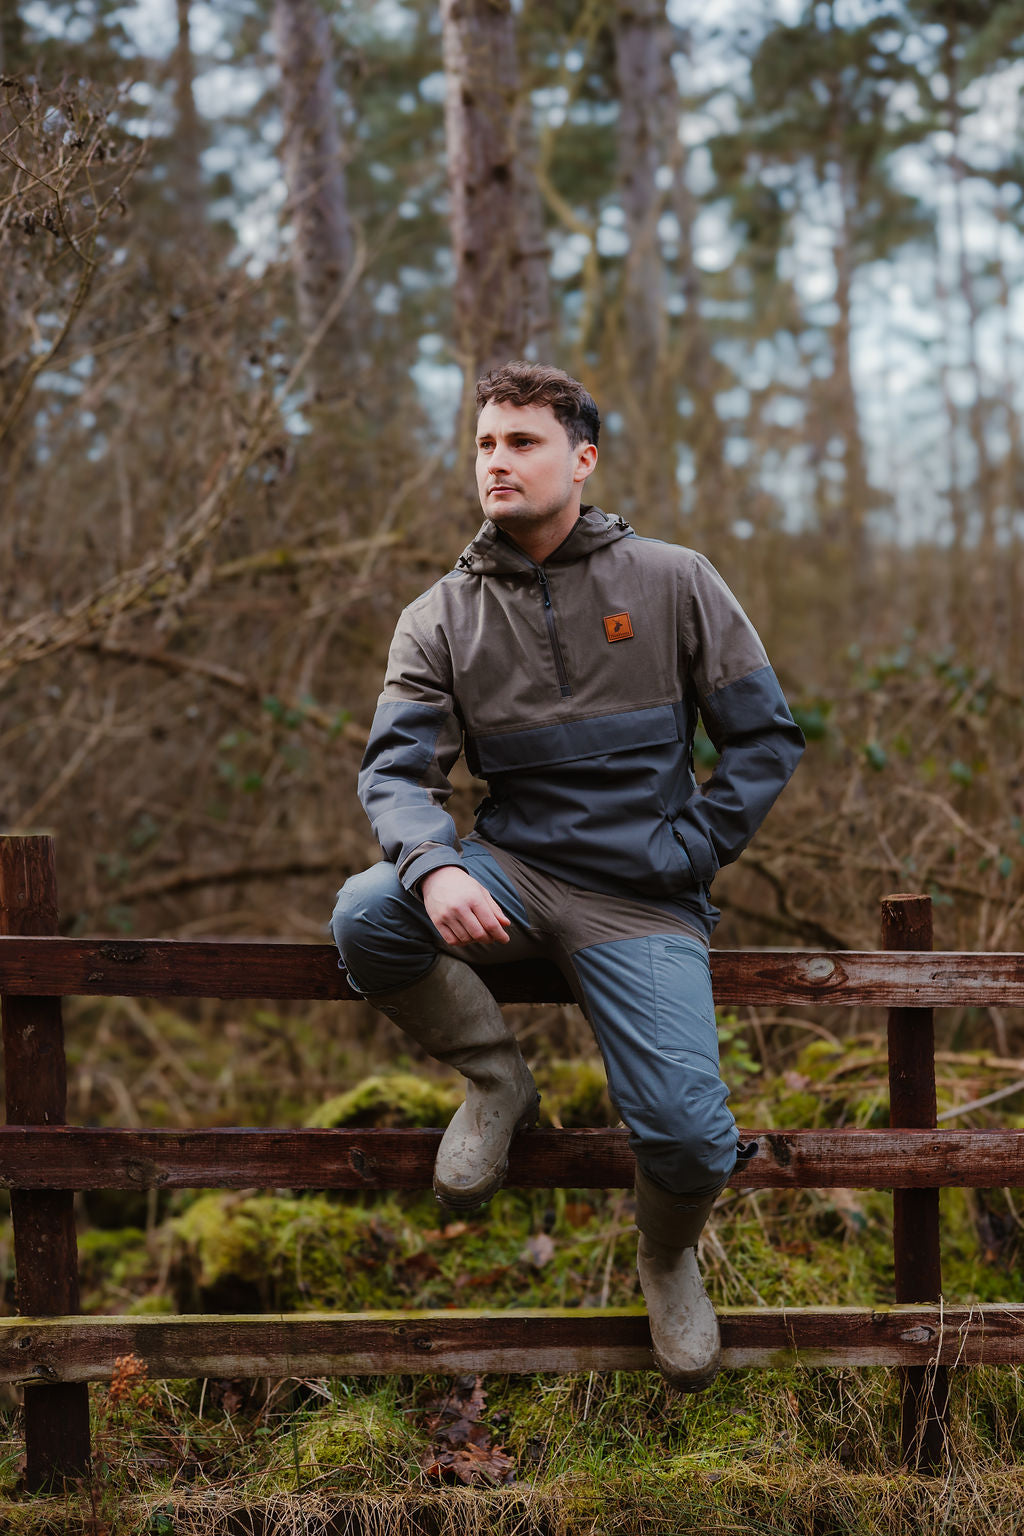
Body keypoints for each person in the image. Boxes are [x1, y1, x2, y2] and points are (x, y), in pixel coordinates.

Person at [332, 361, 804, 1392]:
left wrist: (693, 847)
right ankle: (496, 1080)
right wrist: (431, 864)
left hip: (641, 893)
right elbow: (396, 774)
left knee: (686, 1136)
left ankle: (665, 1254)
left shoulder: (675, 581)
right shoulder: (440, 617)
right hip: (508, 872)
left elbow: (764, 740)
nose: (496, 462)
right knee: (368, 913)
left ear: (582, 458)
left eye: (522, 442)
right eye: (485, 445)